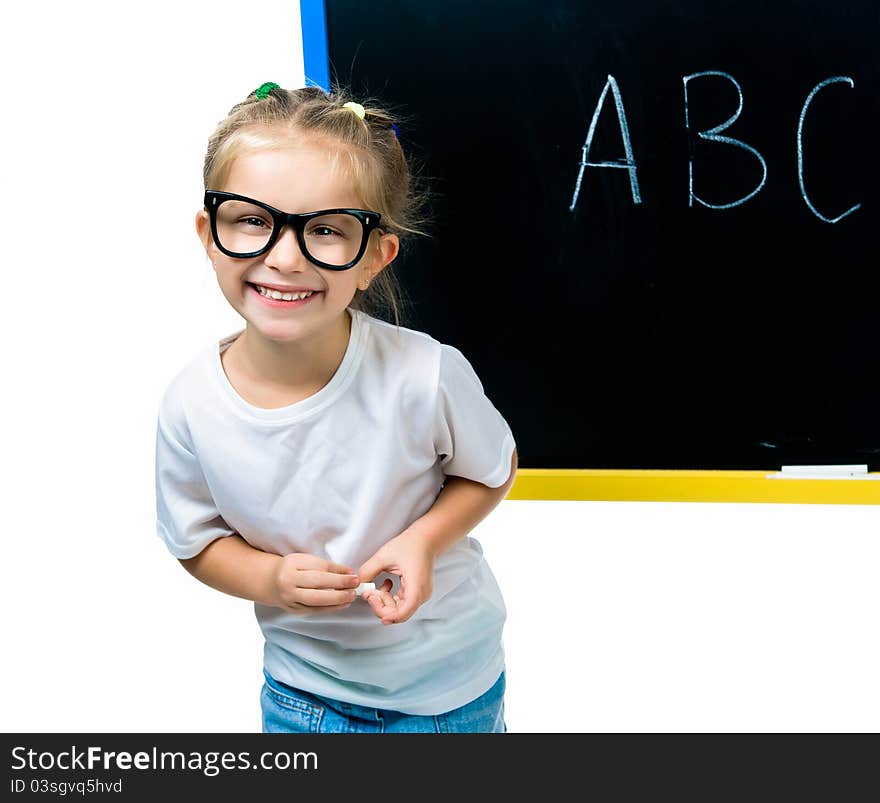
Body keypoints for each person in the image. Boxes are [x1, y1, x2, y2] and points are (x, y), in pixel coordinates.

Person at [154, 82, 518, 733]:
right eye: (253, 220)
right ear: (210, 234)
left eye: (325, 230)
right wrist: (269, 578)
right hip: (301, 694)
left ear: (375, 257)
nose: (284, 257)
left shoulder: (425, 374)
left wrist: (422, 541)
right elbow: (195, 538)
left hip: (449, 693)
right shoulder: (191, 404)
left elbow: (492, 467)